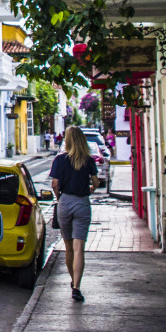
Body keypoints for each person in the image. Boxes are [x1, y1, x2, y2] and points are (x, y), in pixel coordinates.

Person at [50, 124, 99, 302]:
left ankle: (72, 280)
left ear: (67, 140)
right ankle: (77, 287)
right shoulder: (89, 160)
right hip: (82, 203)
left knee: (68, 247)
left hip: (65, 202)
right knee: (80, 248)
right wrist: (90, 189)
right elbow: (96, 181)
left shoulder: (60, 159)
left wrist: (59, 197)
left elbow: (55, 183)